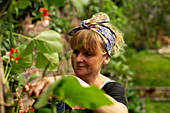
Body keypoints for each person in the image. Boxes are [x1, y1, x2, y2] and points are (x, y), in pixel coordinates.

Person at [27, 12, 128, 113]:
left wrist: (78, 86)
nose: (78, 59)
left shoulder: (111, 88)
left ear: (106, 58)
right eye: (76, 52)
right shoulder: (59, 85)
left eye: (88, 54)